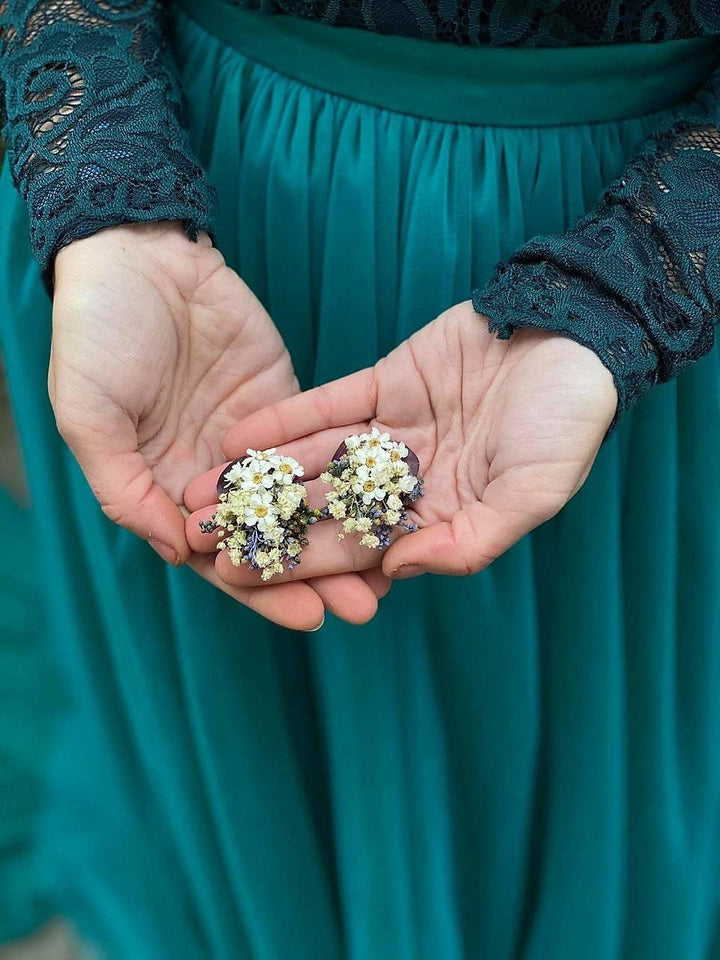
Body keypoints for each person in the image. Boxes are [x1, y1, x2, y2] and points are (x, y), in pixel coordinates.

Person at [1, 0, 719, 956]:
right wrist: (101, 179)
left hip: (638, 233)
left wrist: (630, 286)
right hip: (183, 211)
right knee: (225, 751)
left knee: (585, 751)